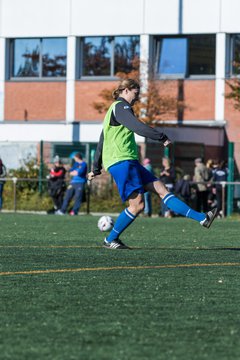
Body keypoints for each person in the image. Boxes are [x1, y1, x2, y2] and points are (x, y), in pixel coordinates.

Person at [88, 78, 217, 250]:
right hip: (122, 161)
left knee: (162, 190)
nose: (137, 98)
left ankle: (202, 218)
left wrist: (95, 168)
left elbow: (102, 141)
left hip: (128, 161)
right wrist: (160, 136)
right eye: (135, 93)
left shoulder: (115, 110)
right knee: (137, 205)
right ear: (126, 90)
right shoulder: (120, 106)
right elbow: (136, 127)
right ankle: (110, 239)